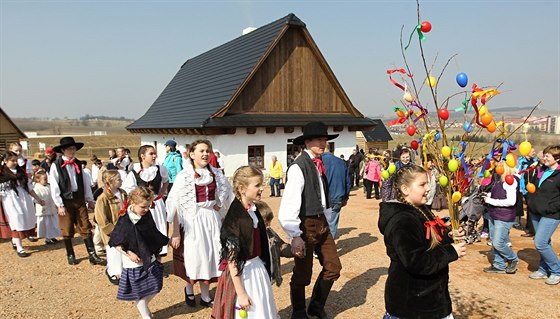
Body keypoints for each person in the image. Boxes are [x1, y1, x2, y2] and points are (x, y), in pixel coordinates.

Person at [378, 165, 467, 318]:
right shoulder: (402, 221)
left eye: (428, 183)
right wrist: (451, 251)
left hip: (429, 297)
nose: (428, 188)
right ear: (405, 189)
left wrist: (448, 237)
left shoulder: (420, 209)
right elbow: (417, 261)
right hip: (413, 304)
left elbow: (427, 241)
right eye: (422, 184)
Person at [278, 122, 342, 319]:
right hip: (305, 225)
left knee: (333, 267)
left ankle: (316, 305)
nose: (323, 143)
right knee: (302, 274)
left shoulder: (319, 164)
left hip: (321, 222)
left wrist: (327, 217)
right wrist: (295, 235)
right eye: (319, 140)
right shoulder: (298, 167)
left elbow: (321, 196)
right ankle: (298, 312)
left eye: (325, 140)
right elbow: (289, 205)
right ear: (307, 142)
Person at [167, 139, 234, 307]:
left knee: (210, 256)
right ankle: (189, 289)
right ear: (192, 154)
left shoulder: (217, 174)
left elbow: (227, 195)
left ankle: (205, 296)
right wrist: (175, 232)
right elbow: (175, 205)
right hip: (192, 222)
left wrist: (218, 206)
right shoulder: (184, 177)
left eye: (207, 151)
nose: (205, 154)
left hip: (211, 219)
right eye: (201, 151)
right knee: (195, 257)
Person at [211, 166, 278, 319]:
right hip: (244, 274)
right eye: (257, 185)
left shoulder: (253, 211)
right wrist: (241, 293)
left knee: (263, 308)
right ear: (242, 188)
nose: (261, 188)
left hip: (257, 268)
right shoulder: (236, 218)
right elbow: (232, 260)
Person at [109, 186, 168, 319]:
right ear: (132, 203)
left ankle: (142, 305)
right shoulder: (124, 219)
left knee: (156, 286)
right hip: (133, 263)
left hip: (149, 258)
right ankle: (145, 314)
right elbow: (116, 242)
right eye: (143, 207)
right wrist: (129, 253)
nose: (147, 209)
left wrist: (157, 249)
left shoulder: (146, 215)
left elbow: (152, 234)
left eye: (148, 206)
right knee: (139, 292)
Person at [49, 136, 102, 265]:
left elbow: (85, 183)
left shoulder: (78, 163)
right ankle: (70, 254)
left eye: (73, 148)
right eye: (69, 149)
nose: (72, 151)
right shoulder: (56, 165)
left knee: (85, 226)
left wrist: (89, 199)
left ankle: (92, 254)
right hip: (65, 201)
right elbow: (54, 186)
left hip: (79, 199)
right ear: (63, 150)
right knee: (67, 228)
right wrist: (59, 204)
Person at [123, 145, 169, 257]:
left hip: (156, 206)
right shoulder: (135, 172)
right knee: (143, 231)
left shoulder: (160, 169)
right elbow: (128, 190)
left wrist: (162, 193)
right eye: (151, 154)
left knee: (158, 229)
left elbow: (166, 181)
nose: (154, 156)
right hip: (142, 207)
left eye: (154, 153)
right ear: (142, 156)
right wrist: (138, 201)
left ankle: (158, 262)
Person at [0, 151, 45, 257]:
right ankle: (20, 248)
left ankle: (15, 241)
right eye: (12, 161)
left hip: (24, 200)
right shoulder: (2, 175)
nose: (15, 162)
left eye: (16, 160)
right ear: (5, 161)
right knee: (16, 221)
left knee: (25, 219)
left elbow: (29, 188)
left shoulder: (21, 172)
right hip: (11, 201)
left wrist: (38, 199)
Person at [526, 145, 560, 285]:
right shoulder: (541, 170)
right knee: (545, 242)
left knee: (540, 242)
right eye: (544, 155)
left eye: (548, 156)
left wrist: (551, 208)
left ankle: (557, 271)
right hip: (535, 212)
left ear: (557, 158)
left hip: (551, 214)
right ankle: (543, 268)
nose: (544, 158)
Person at [482, 162, 520, 274]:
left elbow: (511, 201)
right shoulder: (500, 179)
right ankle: (498, 265)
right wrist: (488, 195)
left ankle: (513, 258)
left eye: (500, 165)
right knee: (495, 241)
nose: (497, 167)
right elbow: (501, 194)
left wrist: (491, 201)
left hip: (504, 216)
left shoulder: (510, 181)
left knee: (498, 242)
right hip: (495, 214)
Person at [95, 170, 127, 285]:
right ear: (110, 182)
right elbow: (101, 219)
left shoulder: (123, 193)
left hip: (124, 229)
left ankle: (123, 272)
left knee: (123, 252)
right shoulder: (103, 198)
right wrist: (112, 230)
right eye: (118, 179)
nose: (121, 181)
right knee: (114, 252)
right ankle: (113, 272)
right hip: (112, 232)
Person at [255, 200, 293, 287]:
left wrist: (294, 250)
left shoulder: (270, 233)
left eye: (269, 222)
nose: (268, 226)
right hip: (257, 277)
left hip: (270, 276)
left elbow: (281, 247)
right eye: (265, 224)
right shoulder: (252, 238)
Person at [322, 143, 351, 240]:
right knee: (332, 224)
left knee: (320, 223)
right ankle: (330, 247)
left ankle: (319, 249)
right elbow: (348, 182)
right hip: (338, 197)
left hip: (323, 197)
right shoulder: (341, 162)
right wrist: (346, 197)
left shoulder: (318, 161)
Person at [32, 170, 61, 245]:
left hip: (51, 208)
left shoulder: (49, 186)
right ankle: (47, 238)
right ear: (38, 180)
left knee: (52, 223)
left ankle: (51, 236)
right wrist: (39, 201)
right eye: (45, 179)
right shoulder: (36, 187)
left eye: (47, 179)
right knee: (46, 224)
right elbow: (34, 198)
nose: (46, 180)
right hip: (43, 210)